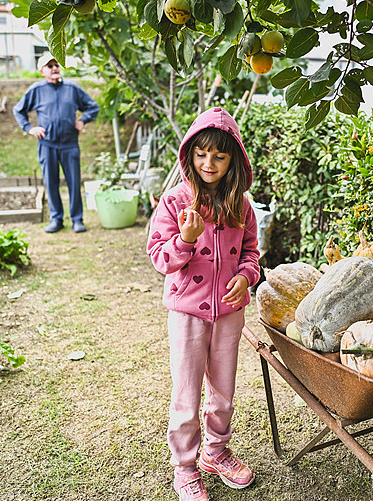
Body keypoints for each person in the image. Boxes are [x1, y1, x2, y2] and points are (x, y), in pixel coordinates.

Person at [147, 107, 260, 501]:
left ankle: (215, 452)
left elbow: (251, 254)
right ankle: (185, 468)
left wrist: (246, 278)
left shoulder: (242, 207)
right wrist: (185, 240)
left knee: (224, 392)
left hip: (230, 313)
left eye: (219, 155)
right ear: (189, 154)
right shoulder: (176, 202)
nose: (208, 163)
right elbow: (160, 258)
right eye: (201, 154)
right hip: (187, 314)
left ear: (233, 160)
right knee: (187, 394)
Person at [13, 52, 99, 233]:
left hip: (69, 144)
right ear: (42, 70)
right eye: (50, 66)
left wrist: (83, 120)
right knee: (50, 182)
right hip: (47, 144)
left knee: (74, 182)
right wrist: (30, 128)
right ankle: (56, 219)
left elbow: (93, 106)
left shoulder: (72, 89)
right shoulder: (36, 90)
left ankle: (77, 220)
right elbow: (18, 111)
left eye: (56, 65)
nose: (54, 69)